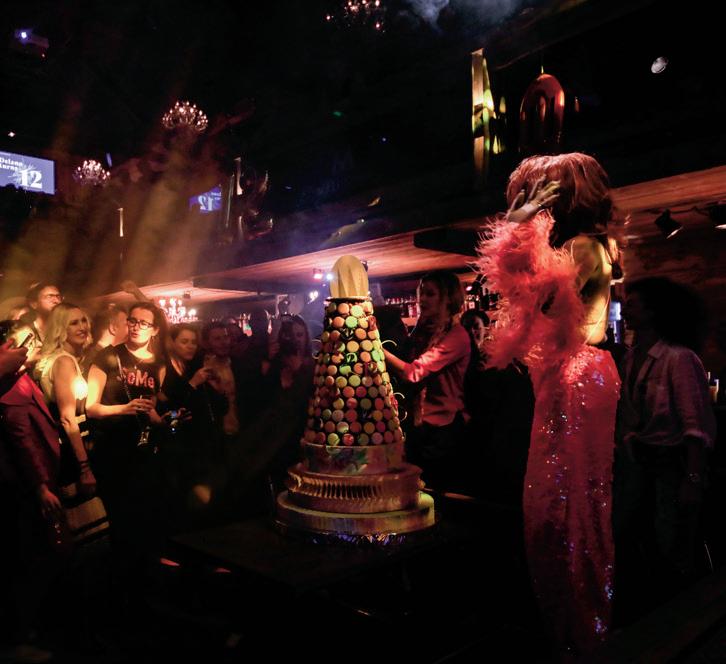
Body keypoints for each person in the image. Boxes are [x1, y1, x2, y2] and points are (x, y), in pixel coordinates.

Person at [478, 153, 622, 656]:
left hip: (574, 376)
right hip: (578, 373)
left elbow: (537, 298)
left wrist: (517, 230)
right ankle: (581, 627)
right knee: (572, 501)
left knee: (559, 507)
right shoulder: (592, 246)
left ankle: (578, 632)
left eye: (538, 193)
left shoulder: (581, 247)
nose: (530, 202)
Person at [614, 277, 716, 618]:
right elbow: (629, 414)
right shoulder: (632, 358)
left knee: (671, 544)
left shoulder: (679, 358)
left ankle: (682, 620)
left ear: (654, 311)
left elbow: (695, 426)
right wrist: (629, 442)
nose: (626, 310)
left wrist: (692, 478)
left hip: (672, 466)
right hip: (642, 465)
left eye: (634, 304)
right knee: (640, 540)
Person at [85, 302, 167, 588]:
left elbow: (154, 408)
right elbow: (91, 408)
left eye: (144, 323)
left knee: (142, 516)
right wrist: (124, 409)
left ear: (154, 330)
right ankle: (116, 583)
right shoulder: (108, 356)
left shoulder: (158, 363)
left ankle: (141, 580)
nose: (136, 327)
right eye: (132, 320)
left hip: (143, 450)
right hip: (112, 449)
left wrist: (163, 421)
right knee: (118, 518)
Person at [383, 271, 471, 491]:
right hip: (419, 425)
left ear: (448, 298)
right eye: (421, 293)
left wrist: (376, 348)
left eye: (430, 294)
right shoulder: (424, 329)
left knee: (436, 492)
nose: (422, 299)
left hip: (444, 429)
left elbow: (413, 372)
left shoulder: (457, 336)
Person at [35, 303, 95, 495]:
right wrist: (84, 468)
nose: (82, 327)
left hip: (67, 450)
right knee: (86, 511)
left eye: (83, 321)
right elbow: (67, 419)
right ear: (60, 329)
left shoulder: (60, 358)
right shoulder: (64, 362)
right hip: (71, 454)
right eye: (74, 323)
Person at [82, 304, 128, 375]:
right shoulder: (93, 358)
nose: (131, 329)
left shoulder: (115, 355)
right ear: (113, 328)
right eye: (126, 325)